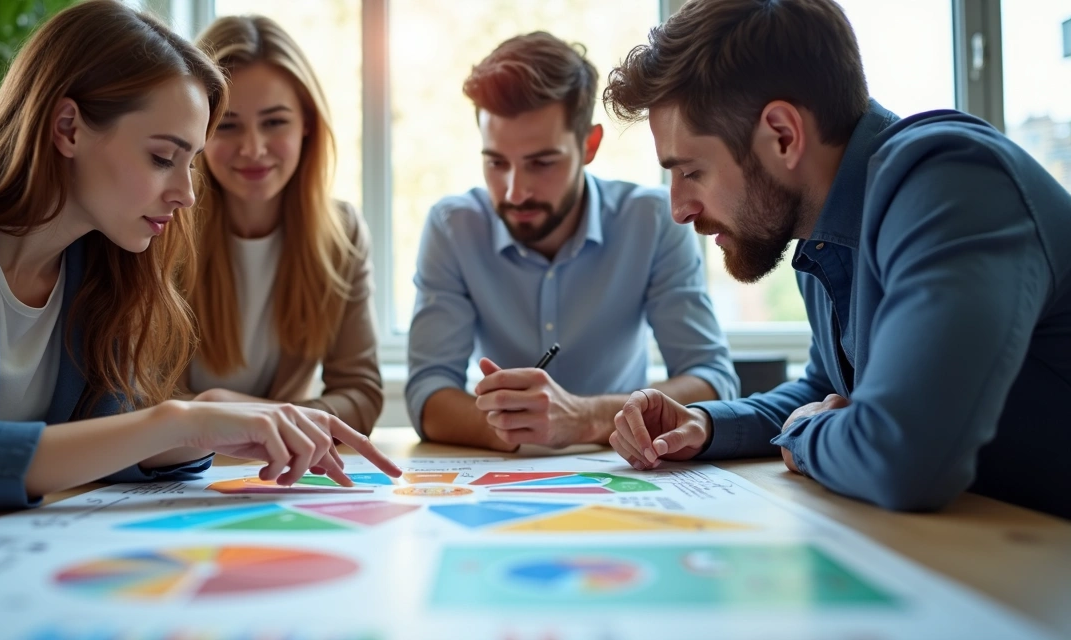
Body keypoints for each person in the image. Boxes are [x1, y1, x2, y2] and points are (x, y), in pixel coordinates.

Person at [0, 0, 399, 524]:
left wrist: (196, 427)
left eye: (191, 162)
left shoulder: (106, 266)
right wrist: (177, 419)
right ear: (67, 128)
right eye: (163, 158)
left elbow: (104, 439)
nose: (187, 194)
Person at [605, 0, 1071, 519]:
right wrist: (706, 425)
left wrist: (805, 432)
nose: (678, 209)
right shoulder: (823, 235)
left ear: (783, 134)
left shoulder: (952, 184)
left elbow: (905, 456)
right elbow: (826, 390)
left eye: (692, 172)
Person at [406, 31, 739, 452]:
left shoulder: (654, 221)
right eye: (495, 162)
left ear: (589, 145)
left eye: (541, 163)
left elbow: (712, 379)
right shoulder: (453, 227)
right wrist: (531, 427)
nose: (514, 192)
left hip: (624, 471)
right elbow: (428, 393)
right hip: (505, 474)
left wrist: (583, 419)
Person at [184, 16, 383, 436]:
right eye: (227, 125)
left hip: (269, 468)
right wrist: (263, 419)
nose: (253, 149)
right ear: (195, 130)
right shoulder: (155, 229)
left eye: (274, 122)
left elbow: (361, 395)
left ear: (307, 124)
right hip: (172, 469)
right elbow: (126, 396)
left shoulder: (340, 234)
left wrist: (243, 414)